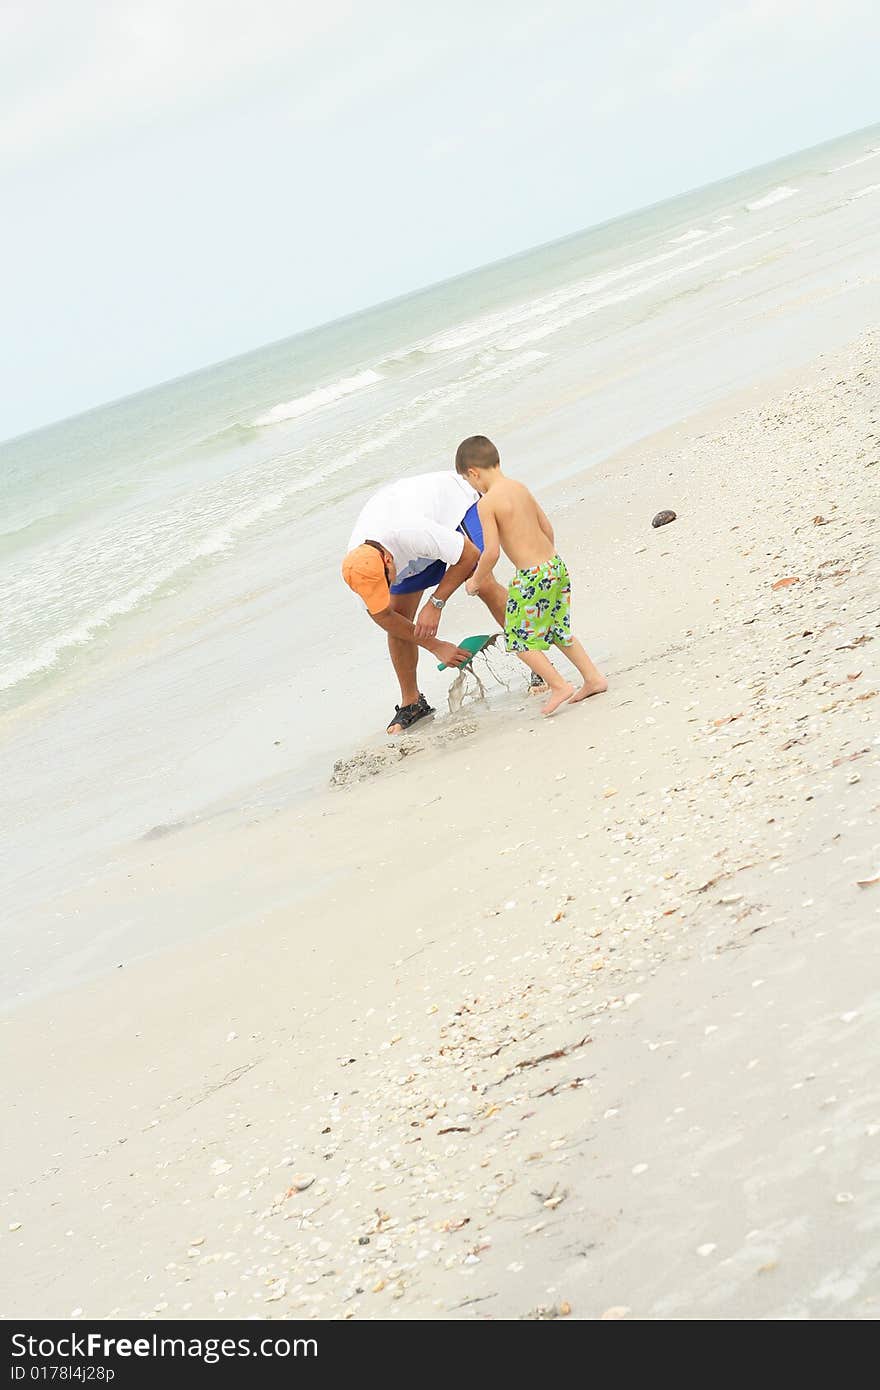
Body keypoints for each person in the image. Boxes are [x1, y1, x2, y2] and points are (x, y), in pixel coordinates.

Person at [342, 471, 508, 732]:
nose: (383, 591)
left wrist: (435, 603)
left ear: (387, 560)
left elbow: (469, 554)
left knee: (482, 583)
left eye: (384, 584)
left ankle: (535, 656)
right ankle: (412, 703)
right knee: (399, 617)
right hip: (411, 550)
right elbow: (385, 617)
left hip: (453, 513)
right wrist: (435, 645)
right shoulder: (357, 568)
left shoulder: (409, 531)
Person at [458, 435, 608, 716]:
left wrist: (476, 581)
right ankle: (593, 678)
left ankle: (558, 685)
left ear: (473, 473)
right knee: (558, 629)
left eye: (469, 482)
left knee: (517, 639)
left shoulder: (486, 504)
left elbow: (491, 552)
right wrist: (544, 559)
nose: (472, 487)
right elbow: (547, 528)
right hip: (555, 566)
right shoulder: (519, 487)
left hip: (531, 576)